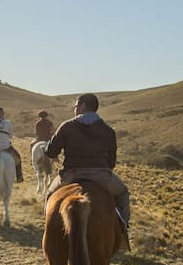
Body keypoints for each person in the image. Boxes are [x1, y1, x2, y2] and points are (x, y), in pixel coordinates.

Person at [44, 93, 130, 250]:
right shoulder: (108, 130)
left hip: (71, 175)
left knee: (50, 195)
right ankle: (122, 234)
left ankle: (50, 231)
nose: (75, 109)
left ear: (83, 106)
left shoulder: (67, 126)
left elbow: (50, 152)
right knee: (123, 194)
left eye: (76, 106)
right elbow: (111, 162)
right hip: (101, 176)